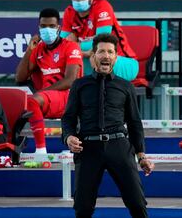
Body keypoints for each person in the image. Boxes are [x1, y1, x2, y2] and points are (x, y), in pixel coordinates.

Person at [61, 33, 154, 218]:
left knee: (137, 203)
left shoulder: (126, 86)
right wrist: (68, 137)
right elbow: (68, 118)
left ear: (115, 57)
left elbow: (135, 123)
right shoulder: (79, 85)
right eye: (101, 51)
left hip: (119, 146)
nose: (106, 55)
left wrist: (141, 156)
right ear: (93, 56)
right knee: (83, 208)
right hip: (87, 148)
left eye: (110, 52)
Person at [16, 8, 83, 153]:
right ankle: (6, 148)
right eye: (43, 26)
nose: (47, 30)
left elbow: (70, 80)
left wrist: (41, 93)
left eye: (51, 26)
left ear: (58, 28)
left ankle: (41, 151)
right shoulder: (39, 49)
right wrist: (29, 50)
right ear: (39, 28)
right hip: (48, 100)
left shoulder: (71, 47)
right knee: (15, 103)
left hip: (68, 96)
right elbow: (20, 77)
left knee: (32, 101)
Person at [61, 0, 139, 81]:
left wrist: (74, 46)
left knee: (96, 56)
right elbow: (61, 46)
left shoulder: (102, 7)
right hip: (90, 59)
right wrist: (83, 51)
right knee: (62, 61)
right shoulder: (69, 12)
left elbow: (101, 43)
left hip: (124, 62)